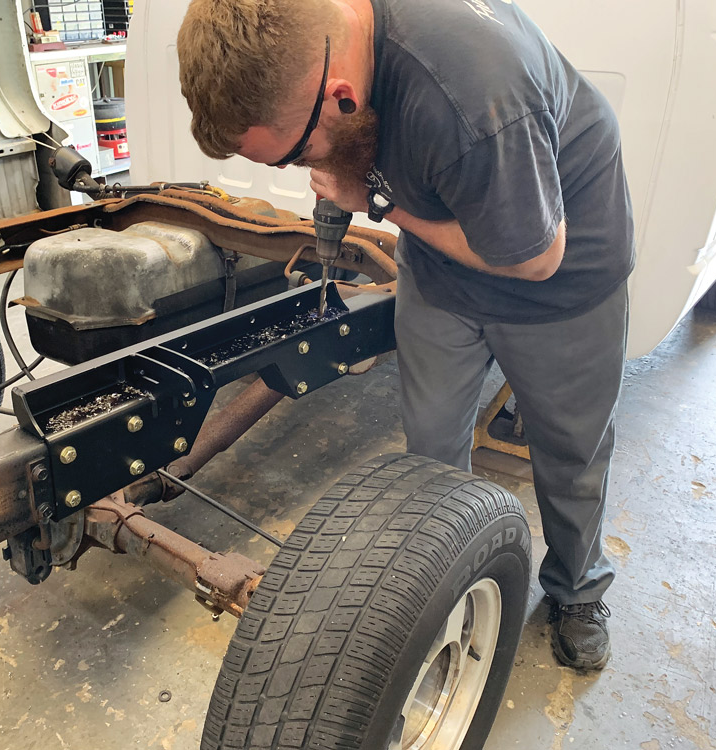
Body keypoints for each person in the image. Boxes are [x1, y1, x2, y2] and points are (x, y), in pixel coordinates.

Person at [177, 0, 634, 671]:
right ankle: (449, 578)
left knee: (570, 456)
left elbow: (534, 258)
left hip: (557, 281)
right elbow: (353, 166)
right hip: (444, 270)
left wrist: (378, 203)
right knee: (432, 449)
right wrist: (344, 182)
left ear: (339, 95)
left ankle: (577, 590)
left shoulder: (474, 94)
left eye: (296, 154)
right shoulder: (327, 41)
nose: (298, 171)